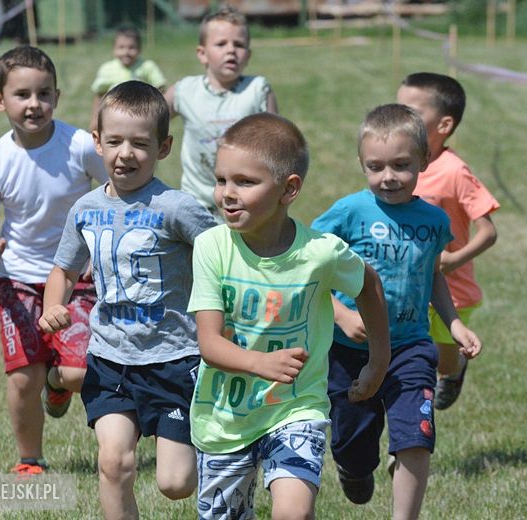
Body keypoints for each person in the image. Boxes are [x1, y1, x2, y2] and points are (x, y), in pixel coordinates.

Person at [188, 112, 391, 519]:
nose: (228, 193)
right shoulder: (211, 247)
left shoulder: (320, 253)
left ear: (289, 189)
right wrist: (260, 363)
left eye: (245, 182)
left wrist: (379, 360)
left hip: (297, 408)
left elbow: (368, 285)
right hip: (225, 419)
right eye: (221, 180)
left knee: (292, 512)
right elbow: (209, 343)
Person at [39, 81, 216, 519]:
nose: (125, 153)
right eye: (115, 141)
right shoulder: (85, 209)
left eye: (140, 143)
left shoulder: (176, 207)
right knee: (113, 462)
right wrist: (53, 305)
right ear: (97, 142)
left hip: (175, 359)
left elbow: (222, 255)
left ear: (163, 147)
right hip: (110, 359)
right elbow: (64, 270)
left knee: (175, 483)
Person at [311, 104, 482, 519]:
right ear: (362, 164)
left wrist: (454, 323)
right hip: (349, 351)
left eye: (401, 165)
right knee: (352, 443)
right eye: (376, 166)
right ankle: (353, 469)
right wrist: (341, 315)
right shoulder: (349, 212)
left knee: (416, 438)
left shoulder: (434, 220)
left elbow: (433, 275)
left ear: (424, 159)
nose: (388, 176)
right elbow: (308, 266)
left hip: (411, 348)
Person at [0, 46, 108, 475]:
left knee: (79, 373)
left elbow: (115, 189)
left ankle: (57, 383)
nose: (34, 104)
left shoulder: (79, 146)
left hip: (77, 278)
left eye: (44, 94)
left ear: (57, 97)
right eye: (22, 94)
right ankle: (30, 458)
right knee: (24, 378)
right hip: (19, 281)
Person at [397, 72, 499, 410]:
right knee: (411, 354)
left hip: (452, 289)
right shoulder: (398, 166)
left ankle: (455, 369)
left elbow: (488, 231)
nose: (401, 119)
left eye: (412, 112)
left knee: (444, 359)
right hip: (409, 284)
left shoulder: (455, 172)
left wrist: (453, 260)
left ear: (444, 125)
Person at [164, 6, 278, 216]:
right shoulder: (185, 91)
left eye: (239, 44)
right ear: (202, 53)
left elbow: (277, 143)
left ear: (248, 55)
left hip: (245, 203)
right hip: (196, 203)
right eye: (221, 44)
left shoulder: (258, 90)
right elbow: (148, 120)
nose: (231, 50)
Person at [89, 25, 167, 132]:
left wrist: (156, 114)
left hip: (141, 118)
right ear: (114, 49)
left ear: (139, 49)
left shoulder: (147, 67)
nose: (126, 52)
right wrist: (95, 119)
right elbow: (99, 95)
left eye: (131, 47)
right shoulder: (107, 69)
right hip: (113, 118)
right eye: (121, 47)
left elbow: (161, 88)